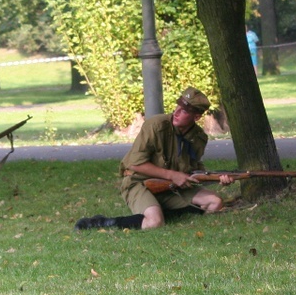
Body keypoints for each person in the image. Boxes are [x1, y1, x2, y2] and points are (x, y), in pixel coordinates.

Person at [74, 87, 233, 231]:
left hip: (172, 187)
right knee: (155, 223)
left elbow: (193, 168)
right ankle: (103, 222)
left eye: (184, 111)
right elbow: (135, 164)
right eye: (178, 106)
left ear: (196, 117)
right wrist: (173, 175)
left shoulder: (198, 137)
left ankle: (159, 209)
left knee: (215, 203)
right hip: (140, 182)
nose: (177, 112)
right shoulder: (156, 125)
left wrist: (216, 178)